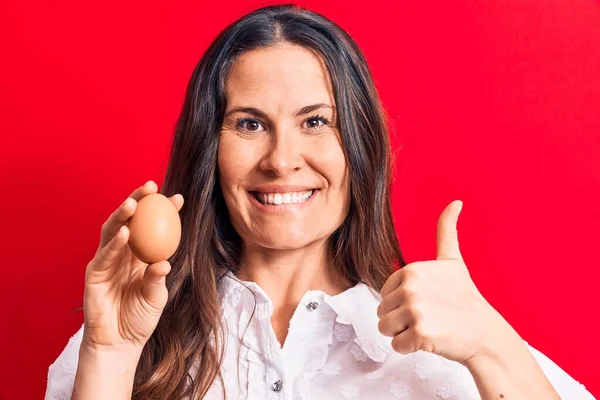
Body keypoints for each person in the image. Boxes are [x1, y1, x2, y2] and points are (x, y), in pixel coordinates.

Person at [45, 3, 595, 400]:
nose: (282, 160)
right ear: (209, 148)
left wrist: (491, 345)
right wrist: (111, 354)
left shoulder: (450, 340)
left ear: (358, 146)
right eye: (250, 124)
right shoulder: (121, 338)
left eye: (315, 122)